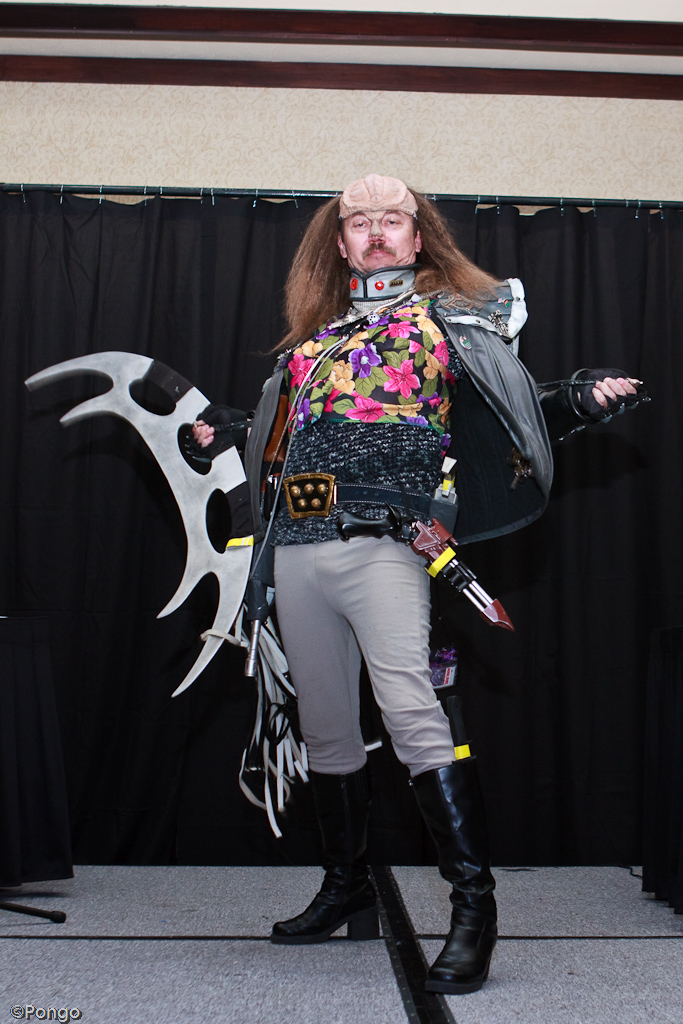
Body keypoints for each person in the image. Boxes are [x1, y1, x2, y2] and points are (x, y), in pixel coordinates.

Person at [193, 175, 644, 994]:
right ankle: (346, 886)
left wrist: (576, 400)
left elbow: (511, 413)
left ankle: (474, 910)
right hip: (297, 548)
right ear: (339, 244)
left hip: (387, 545)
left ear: (416, 235)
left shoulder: (446, 326)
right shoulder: (311, 345)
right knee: (326, 726)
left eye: (391, 219)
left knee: (411, 715)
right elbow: (291, 441)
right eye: (357, 221)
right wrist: (235, 425)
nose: (374, 231)